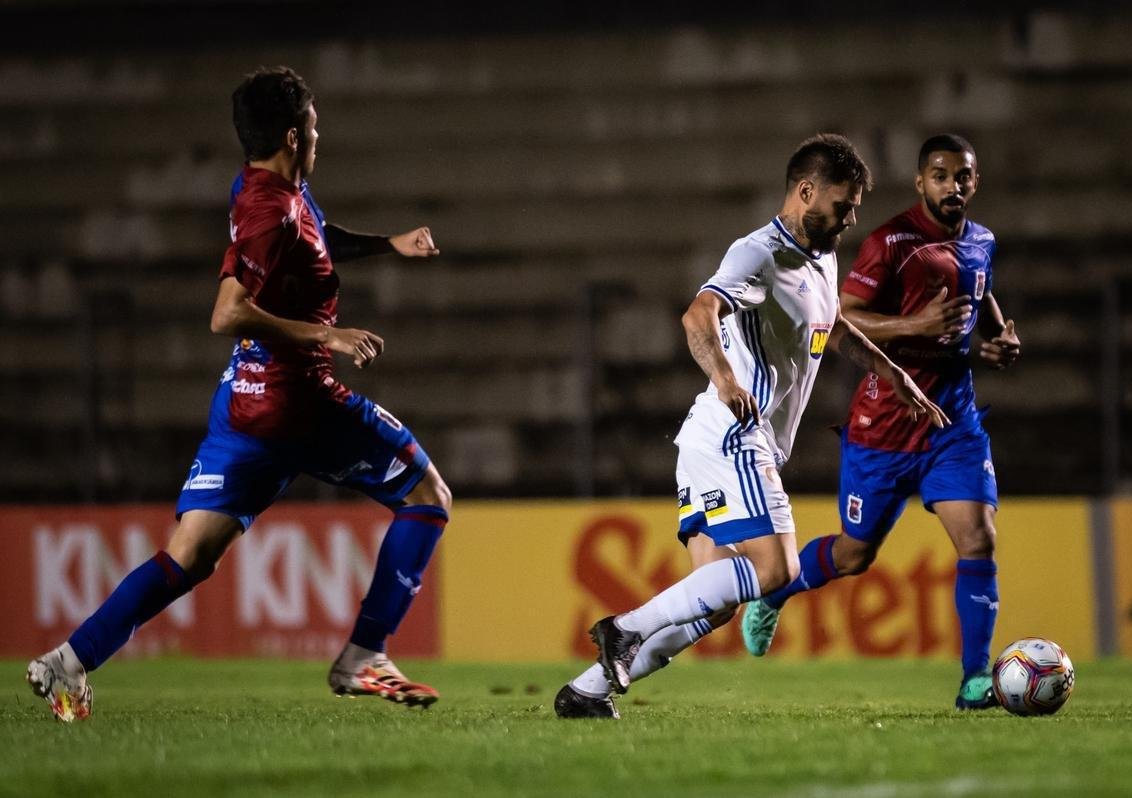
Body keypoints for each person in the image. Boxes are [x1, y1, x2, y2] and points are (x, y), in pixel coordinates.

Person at [27, 66, 451, 722]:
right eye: (313, 127)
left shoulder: (272, 190)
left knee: (189, 556)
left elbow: (317, 241)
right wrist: (325, 335)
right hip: (298, 399)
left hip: (244, 407)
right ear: (292, 134)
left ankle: (69, 661)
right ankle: (365, 654)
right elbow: (226, 312)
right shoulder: (267, 210)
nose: (319, 136)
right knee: (427, 497)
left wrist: (389, 244)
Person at [554, 134, 949, 719]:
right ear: (806, 191)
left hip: (712, 439)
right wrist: (725, 378)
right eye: (844, 205)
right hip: (733, 431)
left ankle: (587, 690)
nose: (852, 216)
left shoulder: (820, 255)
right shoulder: (758, 252)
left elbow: (830, 325)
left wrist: (889, 370)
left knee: (714, 604)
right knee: (776, 568)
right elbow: (698, 313)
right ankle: (625, 629)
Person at [739, 133, 1020, 710]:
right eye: (940, 176)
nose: (952, 186)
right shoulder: (891, 242)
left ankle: (973, 681)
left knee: (978, 539)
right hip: (884, 427)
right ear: (921, 183)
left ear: (976, 181)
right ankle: (777, 590)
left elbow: (981, 294)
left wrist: (997, 339)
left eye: (962, 176)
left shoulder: (983, 241)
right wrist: (916, 325)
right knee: (853, 555)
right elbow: (845, 317)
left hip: (951, 422)